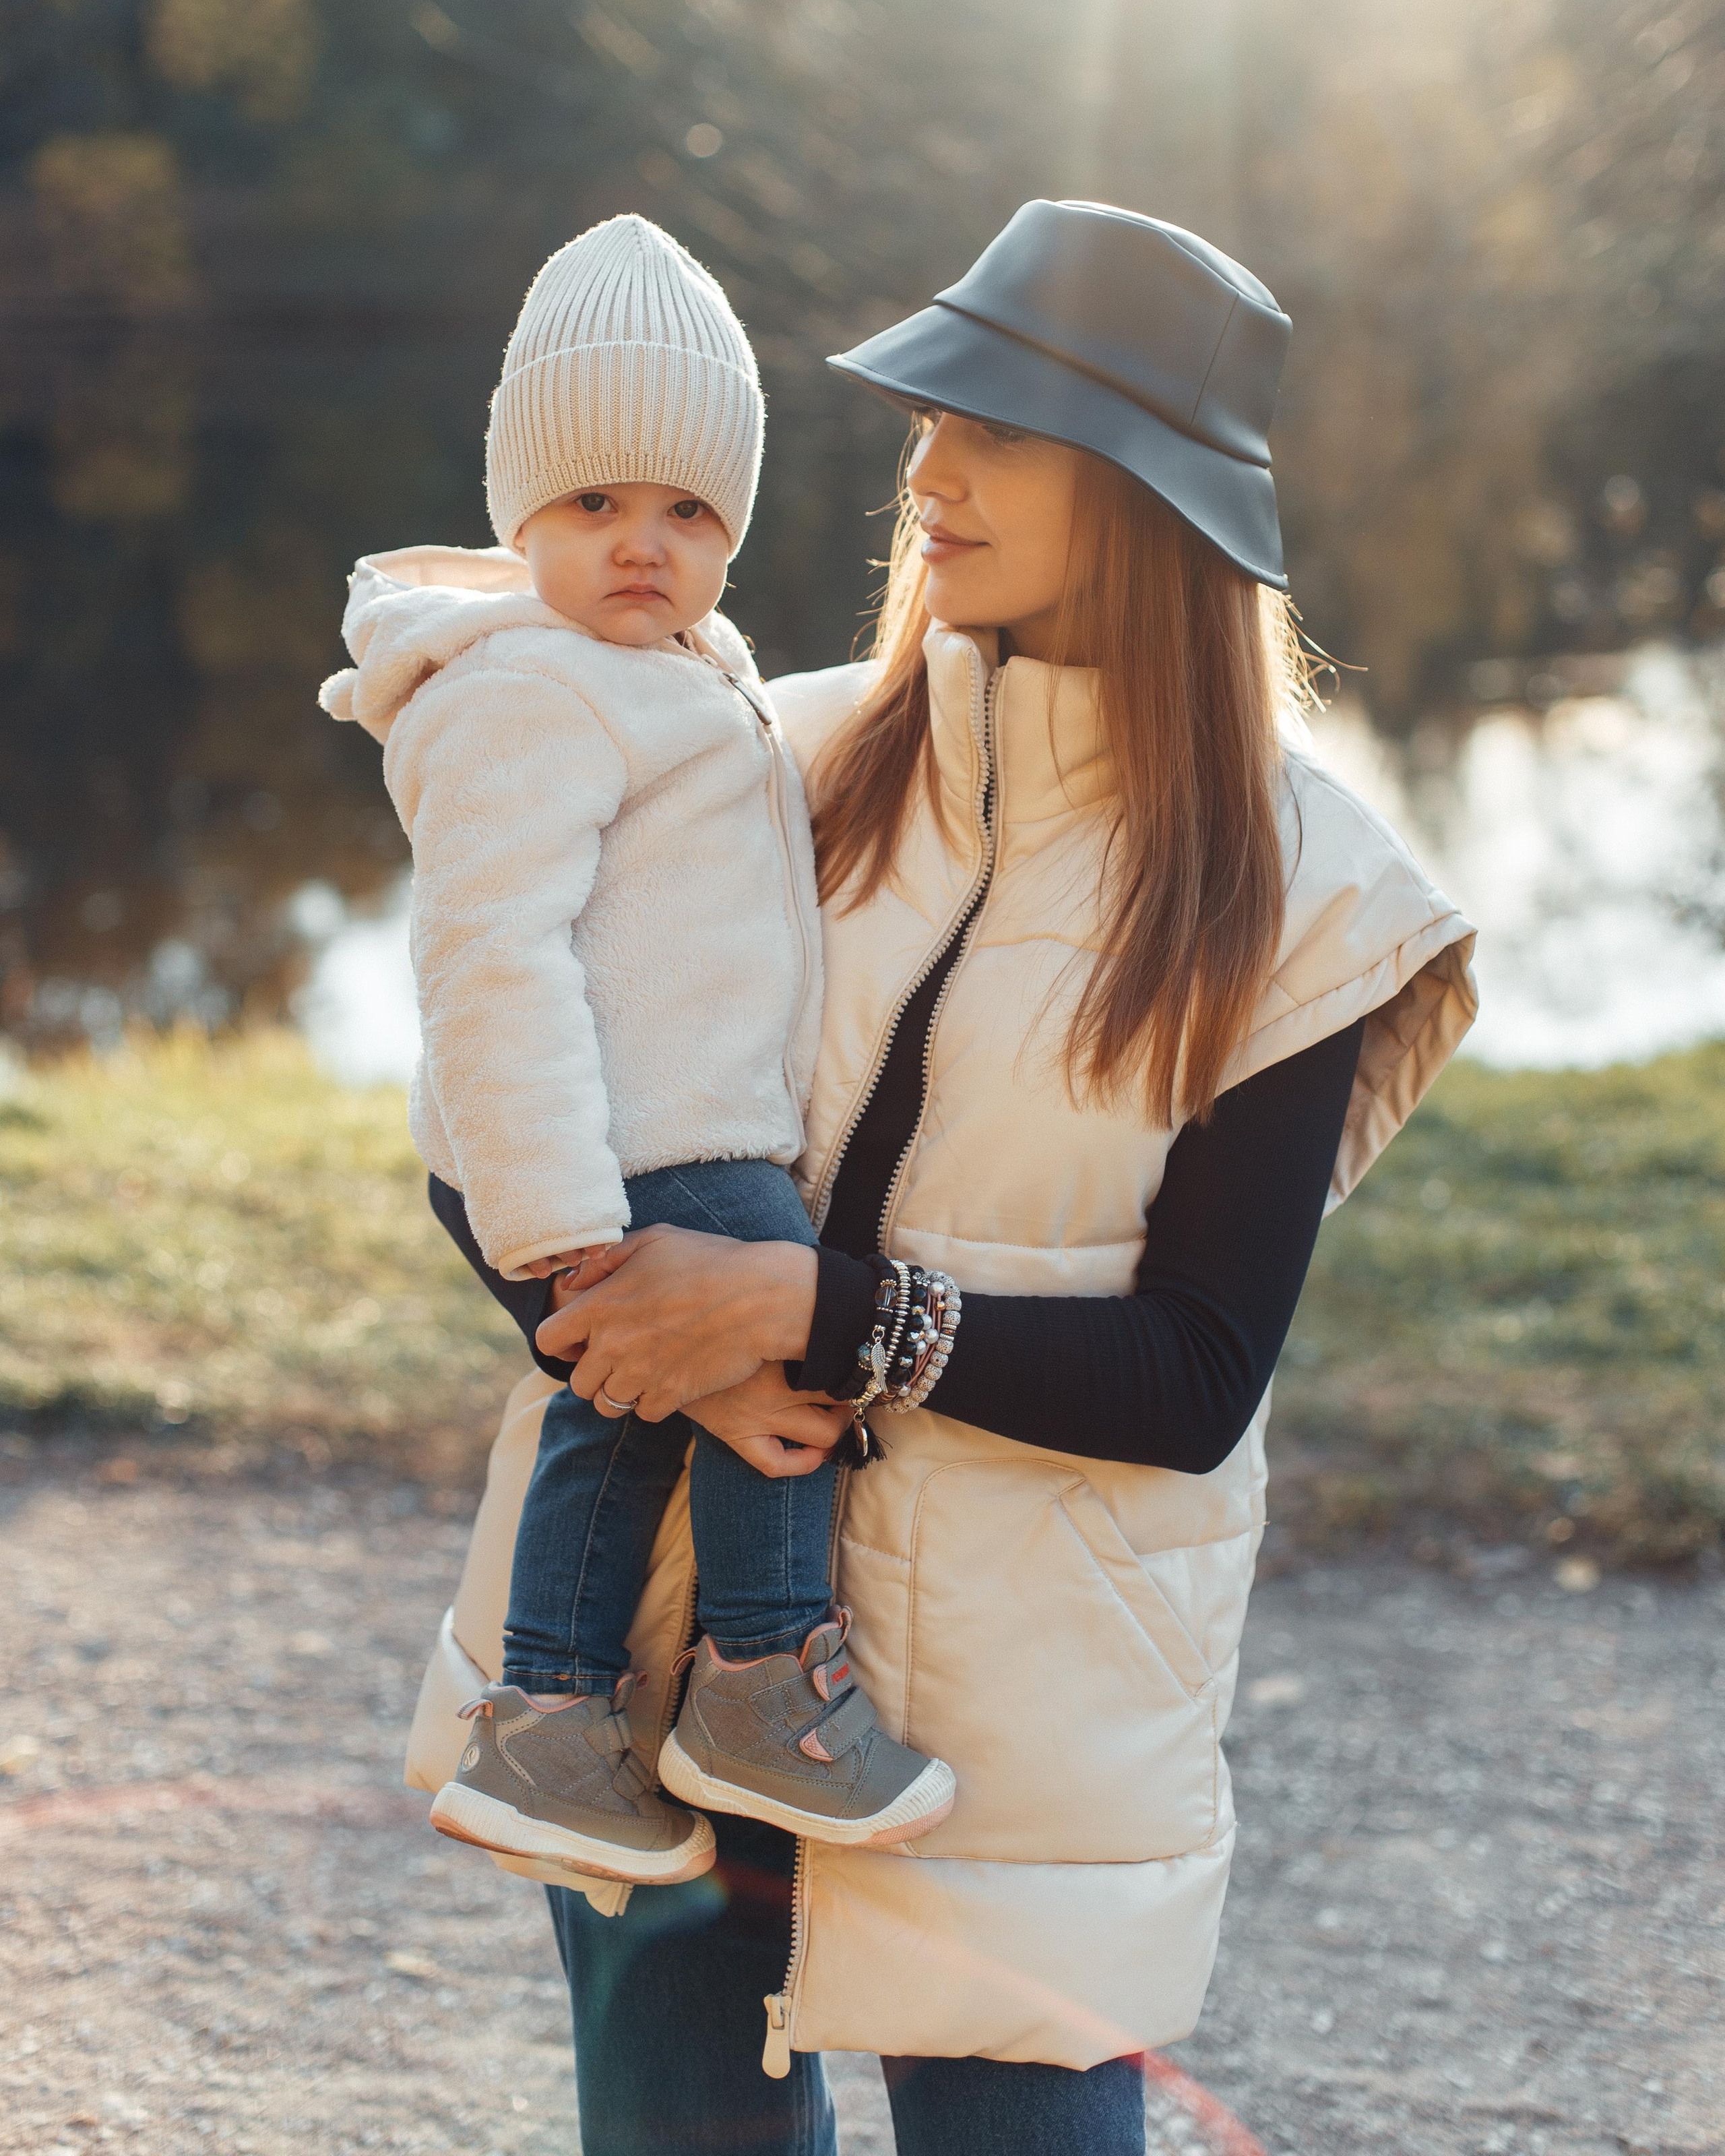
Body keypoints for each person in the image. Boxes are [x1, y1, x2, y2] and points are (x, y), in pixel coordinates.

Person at [416, 198, 1478, 2156]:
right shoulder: (759, 755)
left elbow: (1193, 1379)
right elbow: (480, 1126)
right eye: (927, 419)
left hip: (1017, 1745)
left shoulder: (1304, 896)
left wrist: (805, 1317)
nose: (926, 469)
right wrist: (691, 1359)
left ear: (1147, 497)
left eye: (992, 429)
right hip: (658, 1669)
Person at [321, 212, 951, 1892]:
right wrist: (561, 1228)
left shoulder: (677, 673)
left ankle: (547, 1718)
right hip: (602, 1146)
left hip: (654, 1127)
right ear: (515, 512)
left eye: (687, 512)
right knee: (783, 1350)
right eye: (592, 505)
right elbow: (487, 953)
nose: (641, 546)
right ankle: (759, 1671)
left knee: (627, 1415)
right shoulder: (519, 692)